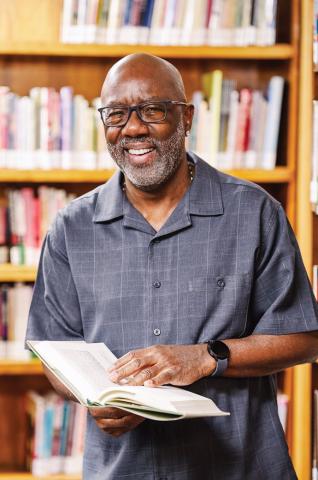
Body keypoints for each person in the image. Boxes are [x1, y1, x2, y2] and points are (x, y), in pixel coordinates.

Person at [26, 53, 318, 480]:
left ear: (187, 117)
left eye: (152, 109)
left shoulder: (254, 212)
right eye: (116, 114)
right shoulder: (72, 227)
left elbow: (303, 338)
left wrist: (205, 357)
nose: (133, 128)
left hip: (240, 468)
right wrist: (92, 397)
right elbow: (54, 351)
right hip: (121, 469)